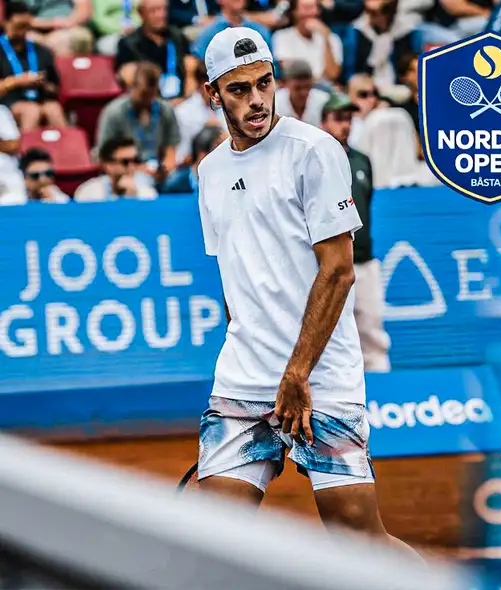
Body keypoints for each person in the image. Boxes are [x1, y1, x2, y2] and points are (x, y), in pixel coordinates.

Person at [194, 27, 419, 555]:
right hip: (244, 382)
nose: (256, 100)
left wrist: (296, 373)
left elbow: (339, 271)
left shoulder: (315, 151)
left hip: (321, 378)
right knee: (213, 537)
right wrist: (247, 355)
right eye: (239, 89)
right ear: (213, 95)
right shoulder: (210, 171)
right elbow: (234, 276)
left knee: (360, 540)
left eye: (264, 83)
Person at [321, 92, 390, 372]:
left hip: (363, 260)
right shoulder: (313, 161)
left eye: (349, 118)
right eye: (338, 118)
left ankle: (383, 391)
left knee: (372, 334)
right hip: (327, 265)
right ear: (324, 122)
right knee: (328, 338)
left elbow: (366, 201)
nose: (345, 125)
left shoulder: (362, 161)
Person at [0, 2, 68, 132]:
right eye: (19, 26)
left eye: (27, 27)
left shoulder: (41, 51)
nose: (23, 32)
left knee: (54, 109)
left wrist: (43, 84)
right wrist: (16, 81)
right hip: (8, 103)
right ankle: (26, 145)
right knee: (31, 112)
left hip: (40, 99)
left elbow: (56, 88)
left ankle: (67, 144)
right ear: (6, 23)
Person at [75, 135, 158, 201]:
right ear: (108, 165)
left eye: (136, 160)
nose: (132, 167)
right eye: (125, 162)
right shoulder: (89, 192)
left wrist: (132, 197)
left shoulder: (147, 193)